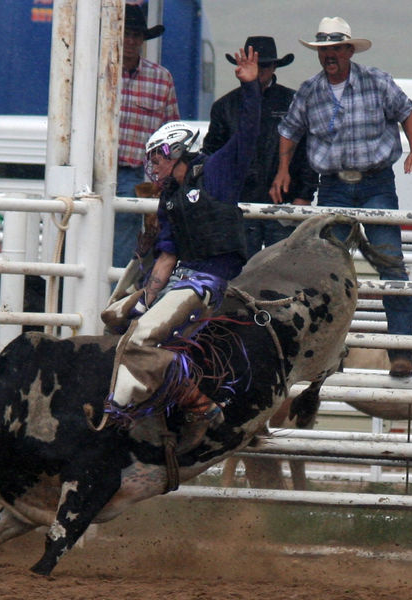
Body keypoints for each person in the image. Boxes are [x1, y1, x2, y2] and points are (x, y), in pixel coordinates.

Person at [104, 46, 260, 425]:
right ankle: (156, 396)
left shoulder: (216, 172)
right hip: (180, 280)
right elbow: (167, 255)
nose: (152, 165)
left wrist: (251, 89)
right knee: (114, 318)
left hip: (209, 281)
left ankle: (187, 400)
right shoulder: (169, 199)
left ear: (176, 151)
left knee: (142, 337)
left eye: (157, 156)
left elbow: (249, 135)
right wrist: (148, 295)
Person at [270, 17, 412, 378]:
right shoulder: (310, 91)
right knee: (328, 268)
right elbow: (289, 131)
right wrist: (283, 169)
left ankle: (400, 349)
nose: (330, 56)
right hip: (335, 184)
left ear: (349, 50)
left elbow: (407, 113)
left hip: (375, 183)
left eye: (336, 48)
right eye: (324, 50)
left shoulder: (376, 81)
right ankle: (324, 346)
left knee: (391, 263)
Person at [203, 36, 317, 259]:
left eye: (264, 64)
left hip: (284, 202)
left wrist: (303, 196)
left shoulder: (294, 102)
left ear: (274, 66)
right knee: (240, 270)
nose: (260, 70)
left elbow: (308, 154)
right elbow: (211, 156)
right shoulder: (224, 107)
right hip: (238, 205)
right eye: (255, 64)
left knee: (283, 268)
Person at [114, 3, 180, 269]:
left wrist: (162, 178)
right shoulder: (96, 71)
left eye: (136, 35)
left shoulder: (161, 78)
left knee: (126, 241)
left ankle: (111, 300)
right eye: (126, 33)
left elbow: (172, 134)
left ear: (142, 39)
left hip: (136, 174)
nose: (130, 41)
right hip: (95, 171)